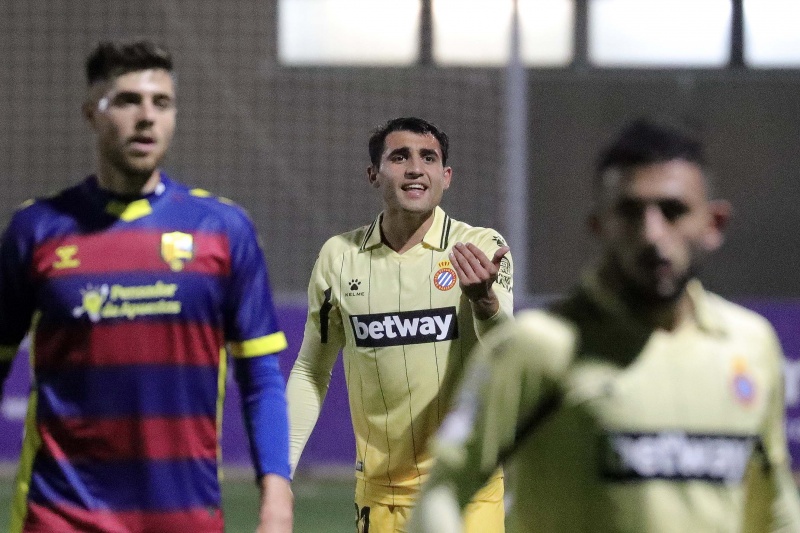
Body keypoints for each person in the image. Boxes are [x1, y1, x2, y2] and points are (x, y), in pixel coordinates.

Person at [409, 118, 800, 533]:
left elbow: (774, 506)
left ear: (713, 224)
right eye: (631, 212)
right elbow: (442, 493)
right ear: (599, 225)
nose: (652, 234)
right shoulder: (537, 346)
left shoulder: (750, 345)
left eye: (673, 211)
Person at [0, 40, 293, 533]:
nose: (146, 117)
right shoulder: (36, 229)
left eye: (162, 103)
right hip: (60, 516)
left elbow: (261, 377)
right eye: (127, 100)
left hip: (184, 518)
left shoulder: (223, 230)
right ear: (92, 113)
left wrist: (277, 499)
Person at [286, 116, 513, 532]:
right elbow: (310, 370)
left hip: (465, 491)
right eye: (400, 157)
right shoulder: (338, 258)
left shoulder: (481, 247)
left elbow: (509, 354)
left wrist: (484, 303)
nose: (415, 169)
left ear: (446, 176)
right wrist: (279, 471)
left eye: (428, 158)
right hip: (380, 498)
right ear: (373, 174)